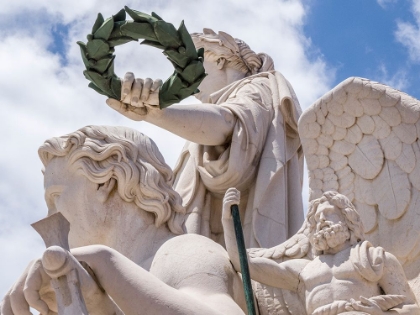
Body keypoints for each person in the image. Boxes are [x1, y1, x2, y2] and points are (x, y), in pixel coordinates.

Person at [0, 126, 246, 315]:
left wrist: (104, 262)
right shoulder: (103, 284)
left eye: (55, 197)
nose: (47, 218)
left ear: (106, 183)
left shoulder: (183, 252)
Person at [106, 29, 304, 248]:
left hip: (244, 256)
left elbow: (229, 125)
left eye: (191, 68)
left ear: (219, 60)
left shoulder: (259, 88)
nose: (188, 85)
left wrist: (157, 113)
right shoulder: (202, 121)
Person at [222, 189, 420, 315]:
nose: (322, 221)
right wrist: (227, 222)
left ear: (348, 219)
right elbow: (244, 265)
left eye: (329, 214)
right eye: (317, 219)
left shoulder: (375, 258)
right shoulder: (304, 270)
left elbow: (412, 308)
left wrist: (382, 314)